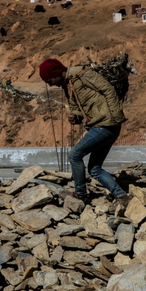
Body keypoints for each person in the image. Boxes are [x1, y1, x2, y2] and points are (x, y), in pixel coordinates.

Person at [38, 58, 130, 208]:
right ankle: (122, 196)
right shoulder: (68, 85)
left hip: (106, 124)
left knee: (75, 154)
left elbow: (108, 89)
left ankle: (80, 194)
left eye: (50, 80)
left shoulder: (84, 74)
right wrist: (75, 116)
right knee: (95, 168)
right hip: (100, 124)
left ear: (56, 73)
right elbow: (76, 107)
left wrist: (115, 117)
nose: (51, 84)